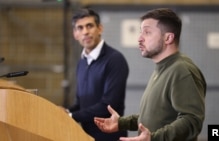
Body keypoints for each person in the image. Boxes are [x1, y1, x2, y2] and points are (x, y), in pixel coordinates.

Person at [94, 8, 207, 141]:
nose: (140, 38)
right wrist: (121, 123)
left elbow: (192, 121)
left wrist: (153, 138)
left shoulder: (181, 70)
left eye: (147, 32)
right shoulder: (163, 68)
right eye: (141, 32)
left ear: (168, 38)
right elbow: (156, 116)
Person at [61, 8, 129, 141]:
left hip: (111, 137)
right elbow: (81, 103)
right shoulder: (82, 62)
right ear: (75, 34)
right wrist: (64, 112)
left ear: (100, 28)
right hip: (87, 136)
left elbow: (108, 106)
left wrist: (71, 116)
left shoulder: (115, 60)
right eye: (80, 28)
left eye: (89, 26)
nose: (85, 32)